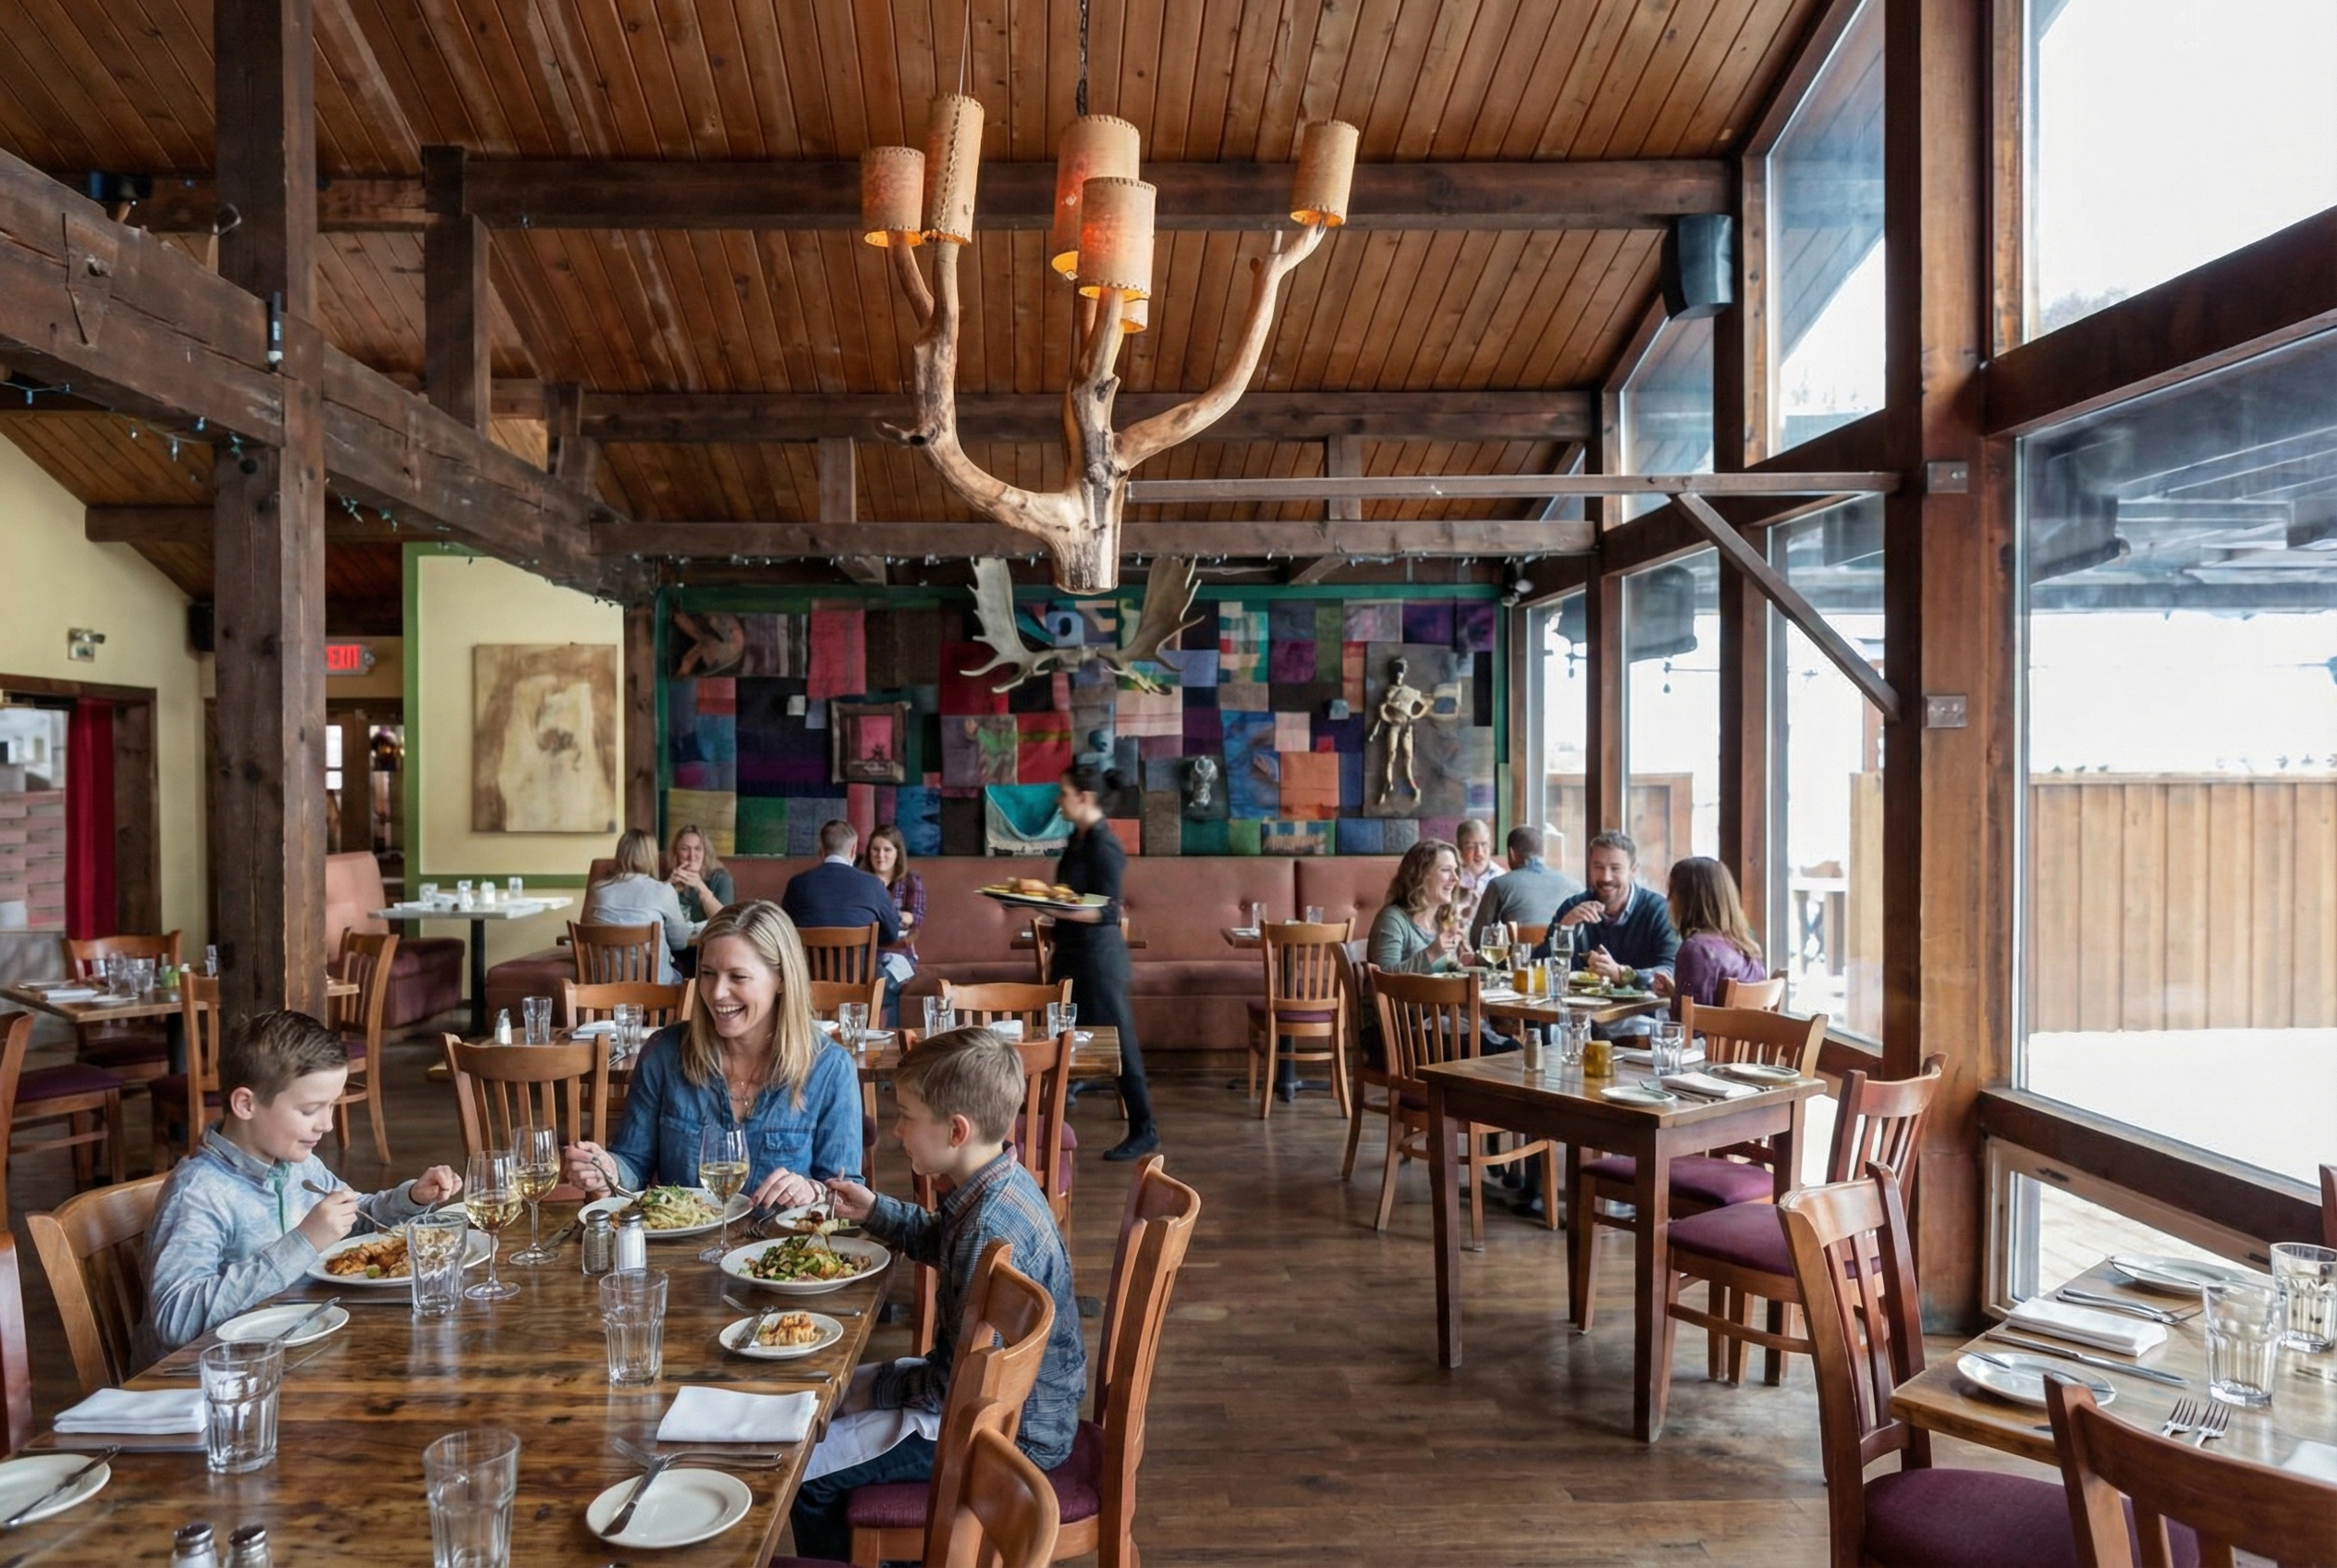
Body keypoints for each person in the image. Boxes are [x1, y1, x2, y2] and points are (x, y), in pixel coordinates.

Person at [791, 1027, 1085, 1560]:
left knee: (807, 1474)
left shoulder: (988, 1228)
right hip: (1003, 1403)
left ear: (956, 1130)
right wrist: (874, 1210)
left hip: (1006, 1434)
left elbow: (953, 1392)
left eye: (907, 1116)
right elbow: (938, 1237)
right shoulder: (998, 1181)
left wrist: (870, 1395)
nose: (897, 1129)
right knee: (824, 1398)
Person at [141, 1011, 461, 1352]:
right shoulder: (199, 1193)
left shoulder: (298, 1165)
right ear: (246, 1104)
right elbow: (176, 1320)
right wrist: (304, 1241)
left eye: (331, 1106)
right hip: (216, 1374)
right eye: (310, 1110)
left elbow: (352, 1217)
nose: (327, 1124)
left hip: (297, 1343)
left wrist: (411, 1198)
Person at [563, 900, 861, 1213]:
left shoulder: (830, 1067)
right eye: (708, 973)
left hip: (780, 1242)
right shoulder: (665, 1053)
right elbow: (633, 1164)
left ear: (782, 980)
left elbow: (846, 1193)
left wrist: (813, 1190)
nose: (717, 993)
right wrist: (608, 1170)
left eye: (738, 977)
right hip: (685, 1243)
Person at [1048, 764, 1158, 1161]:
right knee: (1054, 1037)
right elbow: (1075, 896)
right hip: (1070, 952)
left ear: (1085, 798)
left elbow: (1109, 910)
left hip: (1097, 958)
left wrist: (1050, 907)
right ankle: (1043, 1128)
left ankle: (1144, 1129)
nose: (1058, 800)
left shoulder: (1104, 846)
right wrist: (1047, 902)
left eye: (1064, 793)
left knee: (1122, 1044)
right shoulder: (1076, 840)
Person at [1533, 829, 1681, 998]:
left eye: (1615, 868)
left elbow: (1671, 970)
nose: (1606, 877)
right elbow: (1538, 966)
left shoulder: (1657, 910)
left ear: (1633, 870)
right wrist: (1564, 930)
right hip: (1580, 1008)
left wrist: (1622, 974)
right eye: (1598, 867)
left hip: (1641, 1010)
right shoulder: (1572, 907)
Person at [1652, 855, 1768, 1014]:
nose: (1668, 899)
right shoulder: (1747, 948)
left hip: (1705, 1031)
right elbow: (1712, 1008)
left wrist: (1678, 1004)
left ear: (1688, 899)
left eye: (1672, 891)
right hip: (1743, 1031)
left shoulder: (1696, 950)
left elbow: (1690, 1022)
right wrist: (1676, 994)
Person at [583, 827, 697, 984]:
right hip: (654, 992)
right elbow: (679, 942)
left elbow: (586, 927)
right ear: (651, 856)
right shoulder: (663, 891)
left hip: (603, 989)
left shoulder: (598, 890)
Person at [1367, 839, 1474, 975]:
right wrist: (1432, 953)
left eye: (1456, 870)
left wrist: (1462, 964)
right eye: (1446, 870)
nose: (1455, 878)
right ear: (1420, 876)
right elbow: (1384, 977)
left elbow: (1439, 974)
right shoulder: (1392, 920)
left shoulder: (1441, 920)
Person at [1468, 825, 1584, 948]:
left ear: (1511, 853)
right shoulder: (1574, 885)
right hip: (1565, 957)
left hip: (1519, 959)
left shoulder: (1499, 884)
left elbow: (1479, 938)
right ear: (1543, 854)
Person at [859, 823, 925, 1023]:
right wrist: (898, 917)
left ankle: (889, 1034)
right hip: (863, 952)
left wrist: (897, 918)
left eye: (887, 850)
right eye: (875, 849)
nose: (881, 855)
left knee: (885, 979)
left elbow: (916, 917)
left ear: (898, 853)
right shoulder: (860, 879)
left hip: (900, 954)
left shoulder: (911, 880)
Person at [667, 823, 733, 923]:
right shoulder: (669, 875)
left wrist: (700, 886)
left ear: (705, 852)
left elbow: (725, 921)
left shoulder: (721, 878)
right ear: (676, 852)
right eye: (685, 849)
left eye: (698, 849)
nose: (692, 855)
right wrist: (667, 887)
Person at [1452, 818, 1499, 931]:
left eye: (1484, 845)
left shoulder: (1500, 877)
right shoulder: (1452, 876)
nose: (1479, 853)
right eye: (1471, 847)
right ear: (1459, 849)